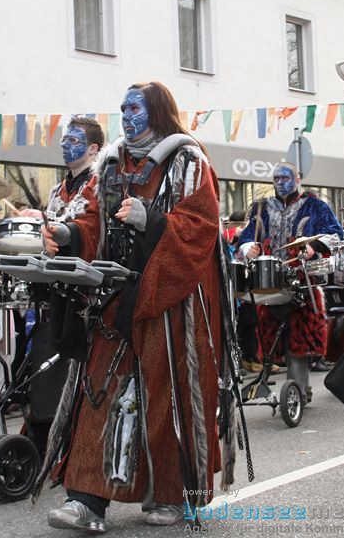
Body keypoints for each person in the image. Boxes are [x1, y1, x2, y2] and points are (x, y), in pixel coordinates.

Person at [40, 82, 235, 532]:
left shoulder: (188, 160)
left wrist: (153, 219)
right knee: (98, 392)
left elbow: (201, 225)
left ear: (158, 111)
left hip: (172, 301)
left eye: (134, 107)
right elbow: (93, 217)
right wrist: (71, 235)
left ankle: (170, 494)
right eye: (122, 107)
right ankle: (85, 501)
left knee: (166, 398)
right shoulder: (108, 163)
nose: (125, 115)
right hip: (115, 293)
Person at [24, 116, 104, 452]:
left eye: (74, 139)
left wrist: (68, 235)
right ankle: (44, 429)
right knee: (46, 359)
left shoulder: (103, 182)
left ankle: (77, 438)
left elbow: (98, 228)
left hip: (89, 291)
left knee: (79, 365)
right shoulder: (59, 188)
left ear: (93, 148)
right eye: (65, 139)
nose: (65, 144)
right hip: (57, 285)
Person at [236, 162, 343, 404]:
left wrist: (313, 247)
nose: (280, 183)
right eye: (276, 179)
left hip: (304, 280)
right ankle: (296, 388)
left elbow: (335, 234)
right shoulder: (261, 208)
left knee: (299, 338)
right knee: (274, 338)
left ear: (298, 178)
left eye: (285, 178)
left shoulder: (316, 206)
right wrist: (247, 247)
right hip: (269, 281)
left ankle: (298, 391)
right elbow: (244, 236)